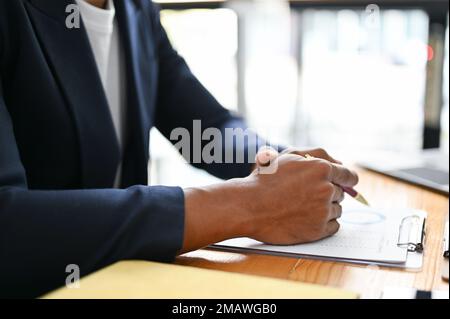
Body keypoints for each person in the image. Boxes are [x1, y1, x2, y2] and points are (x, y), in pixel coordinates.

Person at [0, 0, 358, 298]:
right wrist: (245, 205)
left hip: (129, 281)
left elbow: (206, 129)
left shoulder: (135, 9)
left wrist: (276, 163)